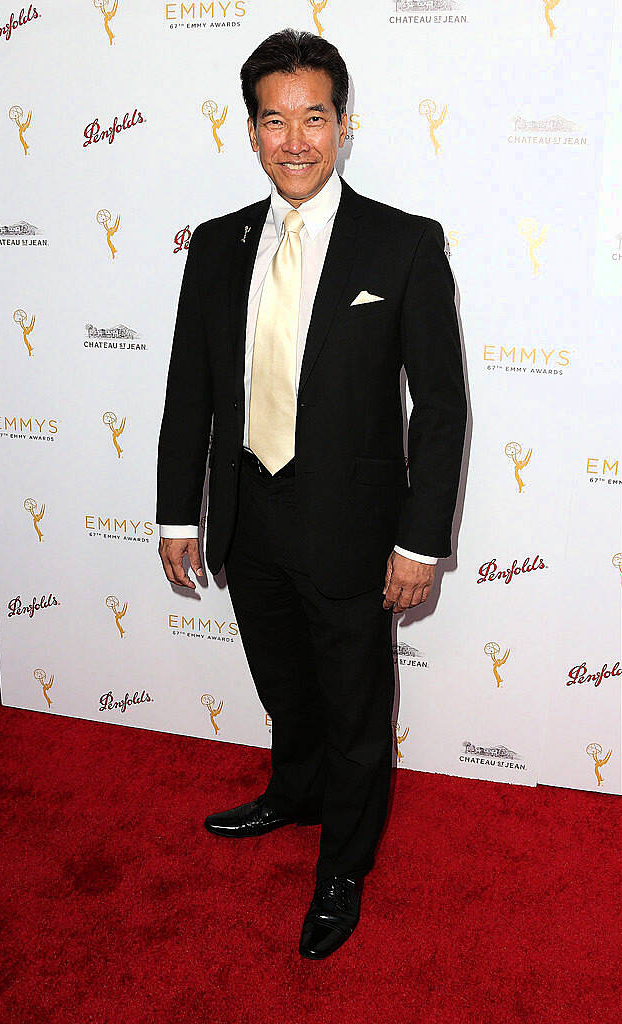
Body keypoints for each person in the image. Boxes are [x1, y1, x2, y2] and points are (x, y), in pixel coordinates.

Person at [156, 28, 467, 960]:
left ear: (343, 126)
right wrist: (180, 512)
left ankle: (344, 862)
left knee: (355, 707)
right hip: (248, 516)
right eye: (273, 120)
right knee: (284, 683)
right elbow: (187, 392)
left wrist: (419, 543)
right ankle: (293, 793)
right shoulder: (216, 245)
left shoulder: (403, 244)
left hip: (354, 528)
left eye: (314, 119)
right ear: (249, 131)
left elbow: (442, 405)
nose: (295, 140)